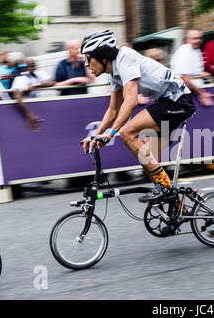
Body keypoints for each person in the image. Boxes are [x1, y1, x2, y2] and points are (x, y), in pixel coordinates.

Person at [79, 30, 195, 207]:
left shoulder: (126, 57)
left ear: (102, 56)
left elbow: (131, 101)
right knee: (147, 159)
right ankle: (179, 208)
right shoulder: (114, 73)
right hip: (165, 102)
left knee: (127, 133)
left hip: (178, 100)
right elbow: (113, 109)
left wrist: (110, 134)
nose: (87, 64)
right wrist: (97, 134)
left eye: (88, 58)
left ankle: (166, 191)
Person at [170, 28, 213, 106]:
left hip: (195, 93)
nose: (198, 40)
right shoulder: (183, 52)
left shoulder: (196, 49)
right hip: (186, 97)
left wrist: (201, 74)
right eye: (194, 38)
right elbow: (184, 79)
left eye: (199, 38)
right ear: (188, 39)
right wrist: (201, 94)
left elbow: (193, 71)